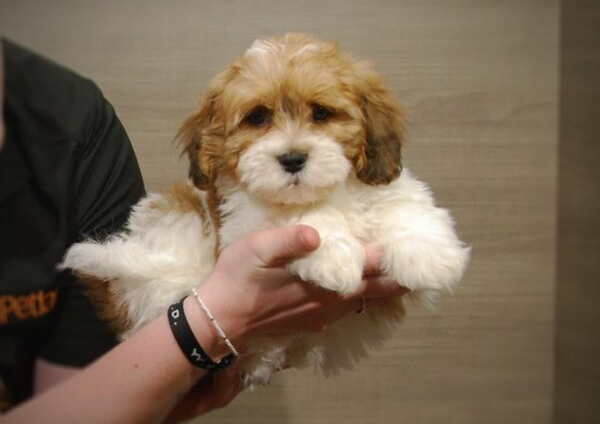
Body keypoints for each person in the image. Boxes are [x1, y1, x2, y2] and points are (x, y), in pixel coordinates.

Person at [0, 39, 407, 422]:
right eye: (258, 118)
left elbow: (77, 390)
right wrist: (211, 323)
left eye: (320, 113)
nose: (290, 142)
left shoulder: (75, 120)